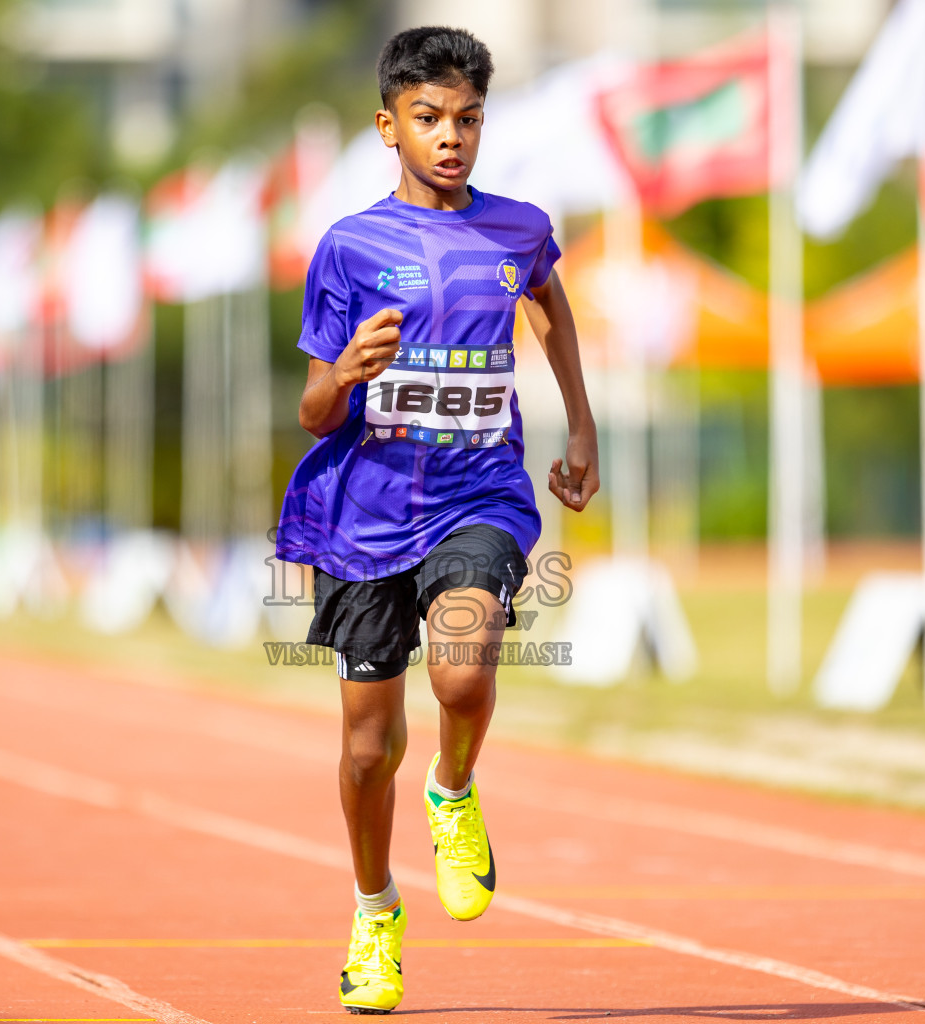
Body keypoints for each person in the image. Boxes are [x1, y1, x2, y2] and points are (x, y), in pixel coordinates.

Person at [275, 25, 599, 1014]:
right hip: (363, 512)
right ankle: (376, 911)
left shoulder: (518, 228)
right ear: (389, 126)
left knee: (465, 664)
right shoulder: (348, 246)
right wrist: (349, 370)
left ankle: (454, 791)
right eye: (428, 119)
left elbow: (549, 301)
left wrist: (581, 424)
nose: (450, 137)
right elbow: (313, 409)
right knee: (368, 749)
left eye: (467, 119)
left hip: (480, 492)